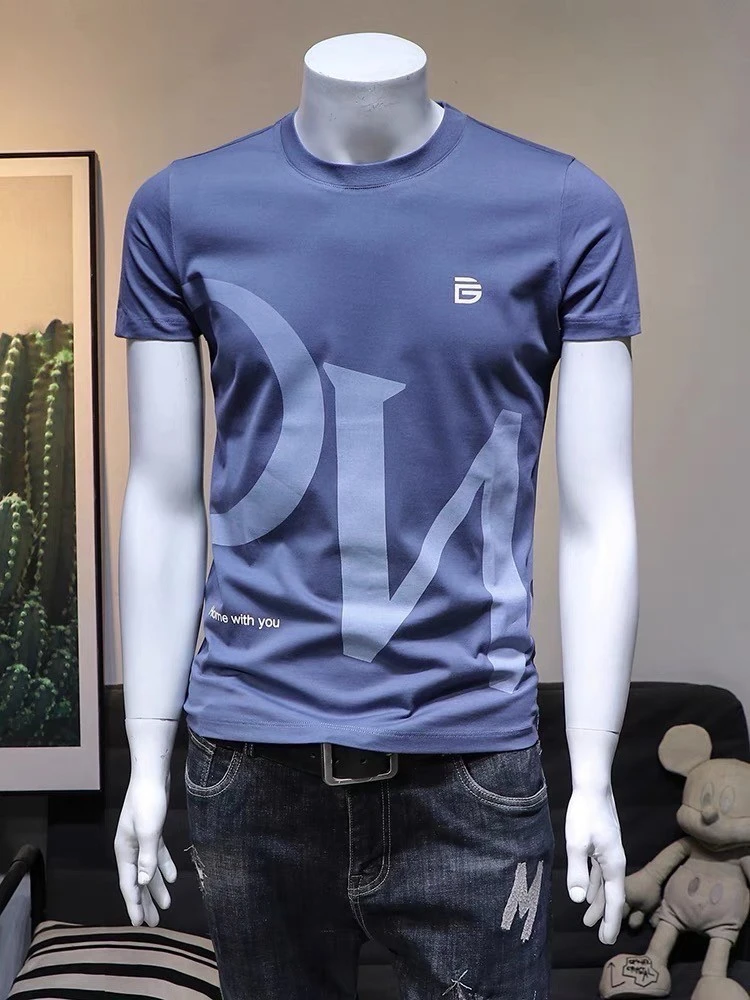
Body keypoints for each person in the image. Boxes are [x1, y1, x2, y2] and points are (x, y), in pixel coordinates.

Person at [113, 30, 641, 1000]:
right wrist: (147, 753)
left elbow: (599, 514)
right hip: (251, 762)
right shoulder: (183, 208)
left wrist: (595, 772)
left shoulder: (564, 209)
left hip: (472, 763)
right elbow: (161, 494)